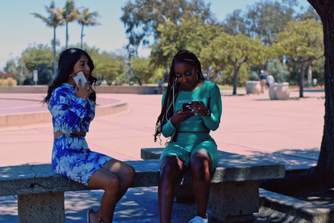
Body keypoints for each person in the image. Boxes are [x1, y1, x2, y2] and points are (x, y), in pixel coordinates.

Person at [43, 48, 135, 223]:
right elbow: (67, 127)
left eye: (88, 64)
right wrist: (80, 99)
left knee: (128, 172)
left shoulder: (85, 92)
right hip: (65, 156)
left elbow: (84, 127)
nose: (87, 68)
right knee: (112, 182)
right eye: (82, 64)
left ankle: (98, 215)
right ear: (70, 68)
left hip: (83, 151)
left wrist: (86, 97)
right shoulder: (59, 94)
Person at [154, 50, 222, 223]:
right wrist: (174, 121)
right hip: (177, 144)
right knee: (168, 168)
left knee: (199, 162)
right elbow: (166, 132)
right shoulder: (170, 93)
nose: (183, 79)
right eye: (179, 75)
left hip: (203, 142)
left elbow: (214, 125)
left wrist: (206, 112)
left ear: (196, 68)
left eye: (188, 73)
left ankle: (201, 217)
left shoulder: (211, 89)